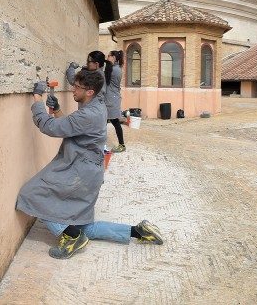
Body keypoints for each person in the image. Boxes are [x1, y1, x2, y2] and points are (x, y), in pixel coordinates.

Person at [17, 70, 164, 259]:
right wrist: (58, 110)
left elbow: (50, 127)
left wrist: (37, 99)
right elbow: (74, 128)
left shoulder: (88, 114)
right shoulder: (96, 106)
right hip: (89, 171)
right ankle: (139, 231)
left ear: (90, 92)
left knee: (31, 195)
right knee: (83, 225)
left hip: (79, 173)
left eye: (77, 87)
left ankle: (71, 238)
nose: (72, 90)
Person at [105, 50, 126, 152]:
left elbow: (104, 76)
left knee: (114, 122)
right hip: (111, 98)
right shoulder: (115, 68)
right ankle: (102, 145)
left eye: (109, 56)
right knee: (109, 122)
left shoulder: (115, 70)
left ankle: (121, 145)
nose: (107, 57)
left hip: (112, 100)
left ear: (114, 57)